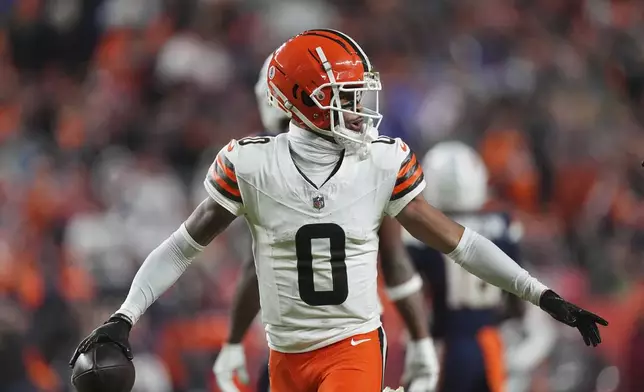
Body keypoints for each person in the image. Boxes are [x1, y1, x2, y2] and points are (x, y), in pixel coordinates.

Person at [69, 29, 608, 392]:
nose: (360, 110)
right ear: (303, 100)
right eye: (346, 97)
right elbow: (182, 247)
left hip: (351, 346)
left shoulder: (380, 163)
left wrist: (542, 294)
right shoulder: (252, 164)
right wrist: (125, 315)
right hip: (285, 355)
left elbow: (460, 243)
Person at [212, 53, 439, 392]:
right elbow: (395, 260)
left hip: (344, 337)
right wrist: (421, 340)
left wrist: (233, 341)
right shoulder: (362, 159)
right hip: (310, 340)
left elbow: (252, 268)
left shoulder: (264, 165)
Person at [403, 141, 557, 392]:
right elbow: (519, 298)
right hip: (490, 346)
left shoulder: (420, 234)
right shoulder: (504, 226)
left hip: (447, 346)